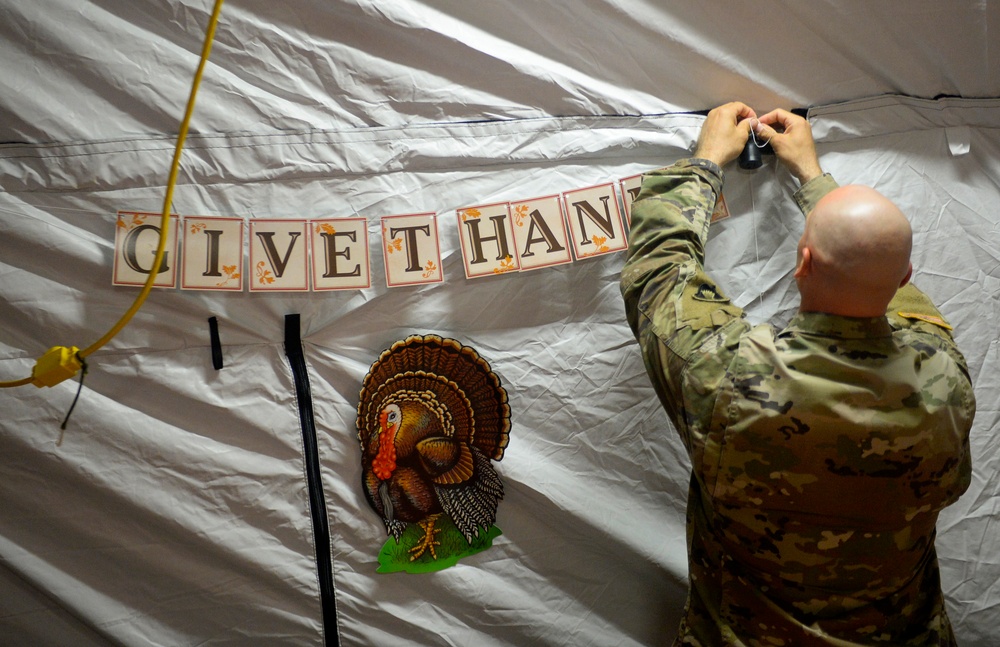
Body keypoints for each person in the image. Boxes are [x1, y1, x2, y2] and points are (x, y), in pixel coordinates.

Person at [620, 102, 976, 646]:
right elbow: (906, 302)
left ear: (802, 262)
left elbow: (659, 273)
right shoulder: (946, 383)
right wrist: (815, 179)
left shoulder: (728, 376)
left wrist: (705, 164)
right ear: (906, 274)